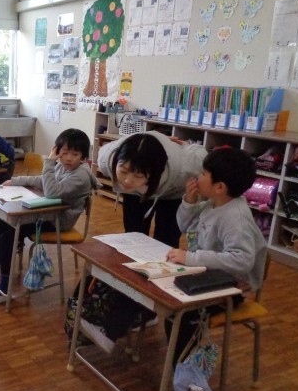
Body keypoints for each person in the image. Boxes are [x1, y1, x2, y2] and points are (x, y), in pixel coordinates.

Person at [84, 132, 208, 353]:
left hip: (172, 191)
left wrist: (187, 144)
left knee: (166, 245)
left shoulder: (185, 167)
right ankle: (131, 302)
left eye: (137, 175)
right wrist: (132, 178)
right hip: (137, 192)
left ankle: (150, 310)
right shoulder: (107, 158)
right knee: (133, 239)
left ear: (153, 173)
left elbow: (202, 154)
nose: (127, 180)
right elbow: (127, 174)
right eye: (123, 171)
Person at [165, 147, 267, 363]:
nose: (197, 177)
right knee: (169, 302)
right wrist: (189, 202)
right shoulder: (213, 204)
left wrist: (191, 258)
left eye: (203, 173)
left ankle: (183, 369)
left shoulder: (235, 218)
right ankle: (180, 364)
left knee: (181, 313)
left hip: (232, 288)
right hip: (208, 276)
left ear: (220, 187)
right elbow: (185, 227)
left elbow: (242, 261)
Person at [0, 128, 99, 306]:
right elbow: (43, 180)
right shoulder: (63, 166)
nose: (69, 158)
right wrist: (15, 181)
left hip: (58, 222)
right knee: (4, 222)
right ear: (58, 150)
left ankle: (4, 288)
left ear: (83, 156)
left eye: (75, 154)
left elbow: (51, 192)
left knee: (10, 234)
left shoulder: (80, 175)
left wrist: (49, 161)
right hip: (49, 214)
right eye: (64, 153)